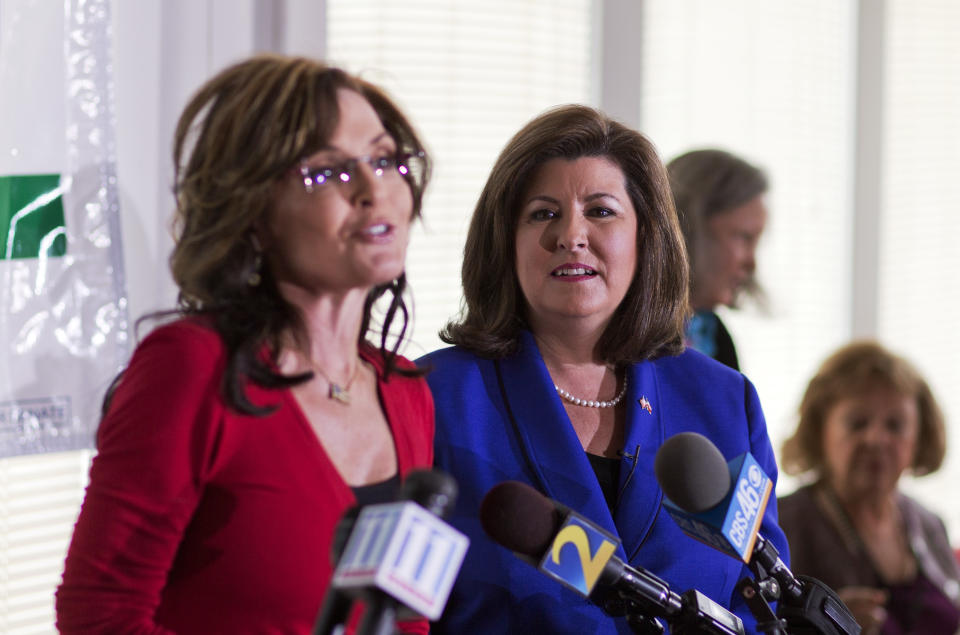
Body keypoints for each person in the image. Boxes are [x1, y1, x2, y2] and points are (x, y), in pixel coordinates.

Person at [55, 54, 434, 634]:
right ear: (253, 211)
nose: (372, 189)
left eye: (384, 160)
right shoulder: (192, 367)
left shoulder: (406, 391)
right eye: (326, 171)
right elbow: (99, 615)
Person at [418, 105, 788, 634]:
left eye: (601, 211)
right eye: (543, 213)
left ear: (646, 237)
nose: (572, 234)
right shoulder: (435, 399)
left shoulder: (724, 402)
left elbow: (762, 601)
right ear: (506, 240)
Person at [779, 341, 960, 634]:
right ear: (820, 430)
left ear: (918, 438)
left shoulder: (930, 524)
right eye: (858, 423)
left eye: (895, 425)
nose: (876, 439)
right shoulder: (782, 523)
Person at [666, 149, 768, 371]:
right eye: (744, 238)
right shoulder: (629, 335)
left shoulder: (715, 337)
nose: (751, 264)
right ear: (688, 230)